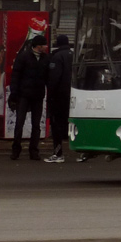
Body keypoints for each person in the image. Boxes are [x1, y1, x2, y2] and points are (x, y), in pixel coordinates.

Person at [8, 34, 50, 160]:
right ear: (38, 46)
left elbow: (48, 77)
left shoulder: (45, 58)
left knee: (36, 124)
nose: (46, 47)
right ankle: (16, 149)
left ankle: (34, 150)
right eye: (44, 45)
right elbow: (15, 76)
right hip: (23, 94)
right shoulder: (24, 57)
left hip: (38, 95)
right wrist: (14, 93)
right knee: (19, 123)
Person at [44, 34, 73, 163]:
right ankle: (83, 152)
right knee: (71, 124)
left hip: (59, 96)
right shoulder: (73, 55)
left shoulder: (57, 57)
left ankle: (58, 153)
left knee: (57, 125)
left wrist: (49, 94)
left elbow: (54, 78)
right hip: (73, 95)